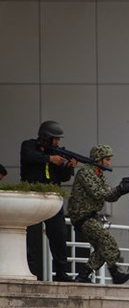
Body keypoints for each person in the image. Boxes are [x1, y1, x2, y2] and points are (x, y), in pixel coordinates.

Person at [67, 145, 129, 285]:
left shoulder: (99, 175)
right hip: (82, 216)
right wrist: (120, 189)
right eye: (107, 159)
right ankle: (115, 271)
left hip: (91, 216)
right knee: (107, 241)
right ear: (99, 159)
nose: (109, 163)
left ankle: (83, 276)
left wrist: (122, 189)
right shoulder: (86, 173)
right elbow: (98, 193)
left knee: (102, 248)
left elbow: (110, 196)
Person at [20, 121, 77, 282]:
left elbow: (64, 177)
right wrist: (50, 158)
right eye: (55, 139)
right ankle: (30, 271)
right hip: (33, 196)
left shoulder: (59, 153)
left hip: (52, 196)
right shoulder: (29, 146)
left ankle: (61, 272)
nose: (58, 142)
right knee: (30, 236)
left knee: (59, 234)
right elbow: (30, 157)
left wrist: (69, 166)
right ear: (46, 137)